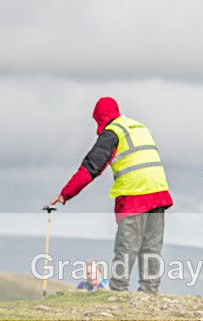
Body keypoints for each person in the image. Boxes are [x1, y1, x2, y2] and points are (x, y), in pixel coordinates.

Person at [49, 97, 173, 294]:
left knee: (127, 245)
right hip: (159, 191)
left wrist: (65, 194)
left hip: (134, 193)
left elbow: (91, 167)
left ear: (99, 117)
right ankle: (149, 292)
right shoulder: (139, 127)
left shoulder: (113, 133)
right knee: (152, 245)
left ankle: (118, 290)